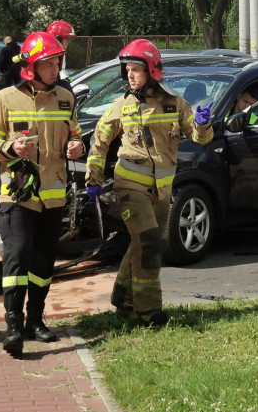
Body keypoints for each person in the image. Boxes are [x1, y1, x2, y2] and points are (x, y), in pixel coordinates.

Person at [86, 39, 213, 327]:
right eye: (127, 70)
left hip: (162, 190)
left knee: (142, 242)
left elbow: (200, 139)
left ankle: (123, 298)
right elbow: (98, 143)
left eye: (135, 70)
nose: (129, 75)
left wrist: (203, 123)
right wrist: (93, 178)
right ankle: (149, 311)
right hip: (129, 186)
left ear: (152, 71)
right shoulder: (120, 106)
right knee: (149, 241)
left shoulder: (175, 103)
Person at [0, 31, 85, 357]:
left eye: (56, 62)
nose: (54, 69)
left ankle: (36, 320)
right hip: (17, 196)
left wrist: (76, 146)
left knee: (42, 264)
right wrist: (10, 147)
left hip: (53, 196)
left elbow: (74, 135)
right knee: (17, 257)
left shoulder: (65, 98)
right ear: (30, 67)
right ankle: (14, 326)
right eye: (47, 63)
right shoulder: (4, 99)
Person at [46, 20, 76, 85]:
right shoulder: (47, 55)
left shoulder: (61, 54)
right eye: (67, 38)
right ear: (58, 38)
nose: (68, 42)